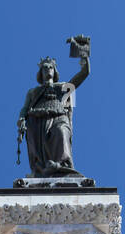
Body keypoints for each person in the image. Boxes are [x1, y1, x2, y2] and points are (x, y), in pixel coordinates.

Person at [18, 40, 90, 177]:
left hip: (58, 116)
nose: (47, 70)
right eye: (44, 68)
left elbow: (84, 73)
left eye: (50, 67)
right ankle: (40, 170)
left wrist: (83, 53)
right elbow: (25, 108)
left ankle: (63, 165)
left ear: (54, 70)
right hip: (37, 118)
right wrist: (21, 119)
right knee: (38, 146)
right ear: (41, 72)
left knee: (61, 132)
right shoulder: (33, 91)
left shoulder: (63, 86)